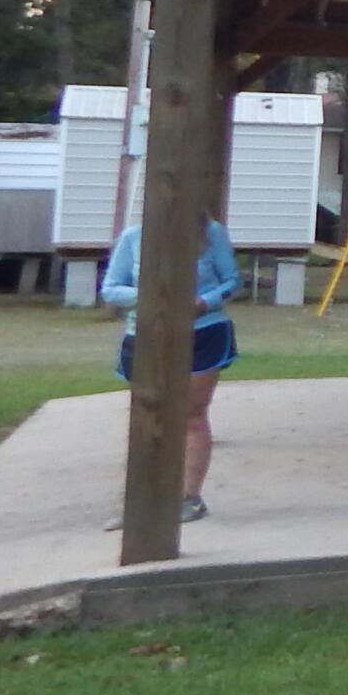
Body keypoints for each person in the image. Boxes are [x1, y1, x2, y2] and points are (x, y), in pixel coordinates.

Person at [102, 216, 241, 523]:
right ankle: (138, 502)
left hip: (202, 331)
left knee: (191, 413)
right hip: (146, 334)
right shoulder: (133, 236)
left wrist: (203, 301)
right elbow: (111, 288)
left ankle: (188, 497)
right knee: (147, 414)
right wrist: (151, 297)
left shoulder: (212, 232)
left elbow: (232, 281)